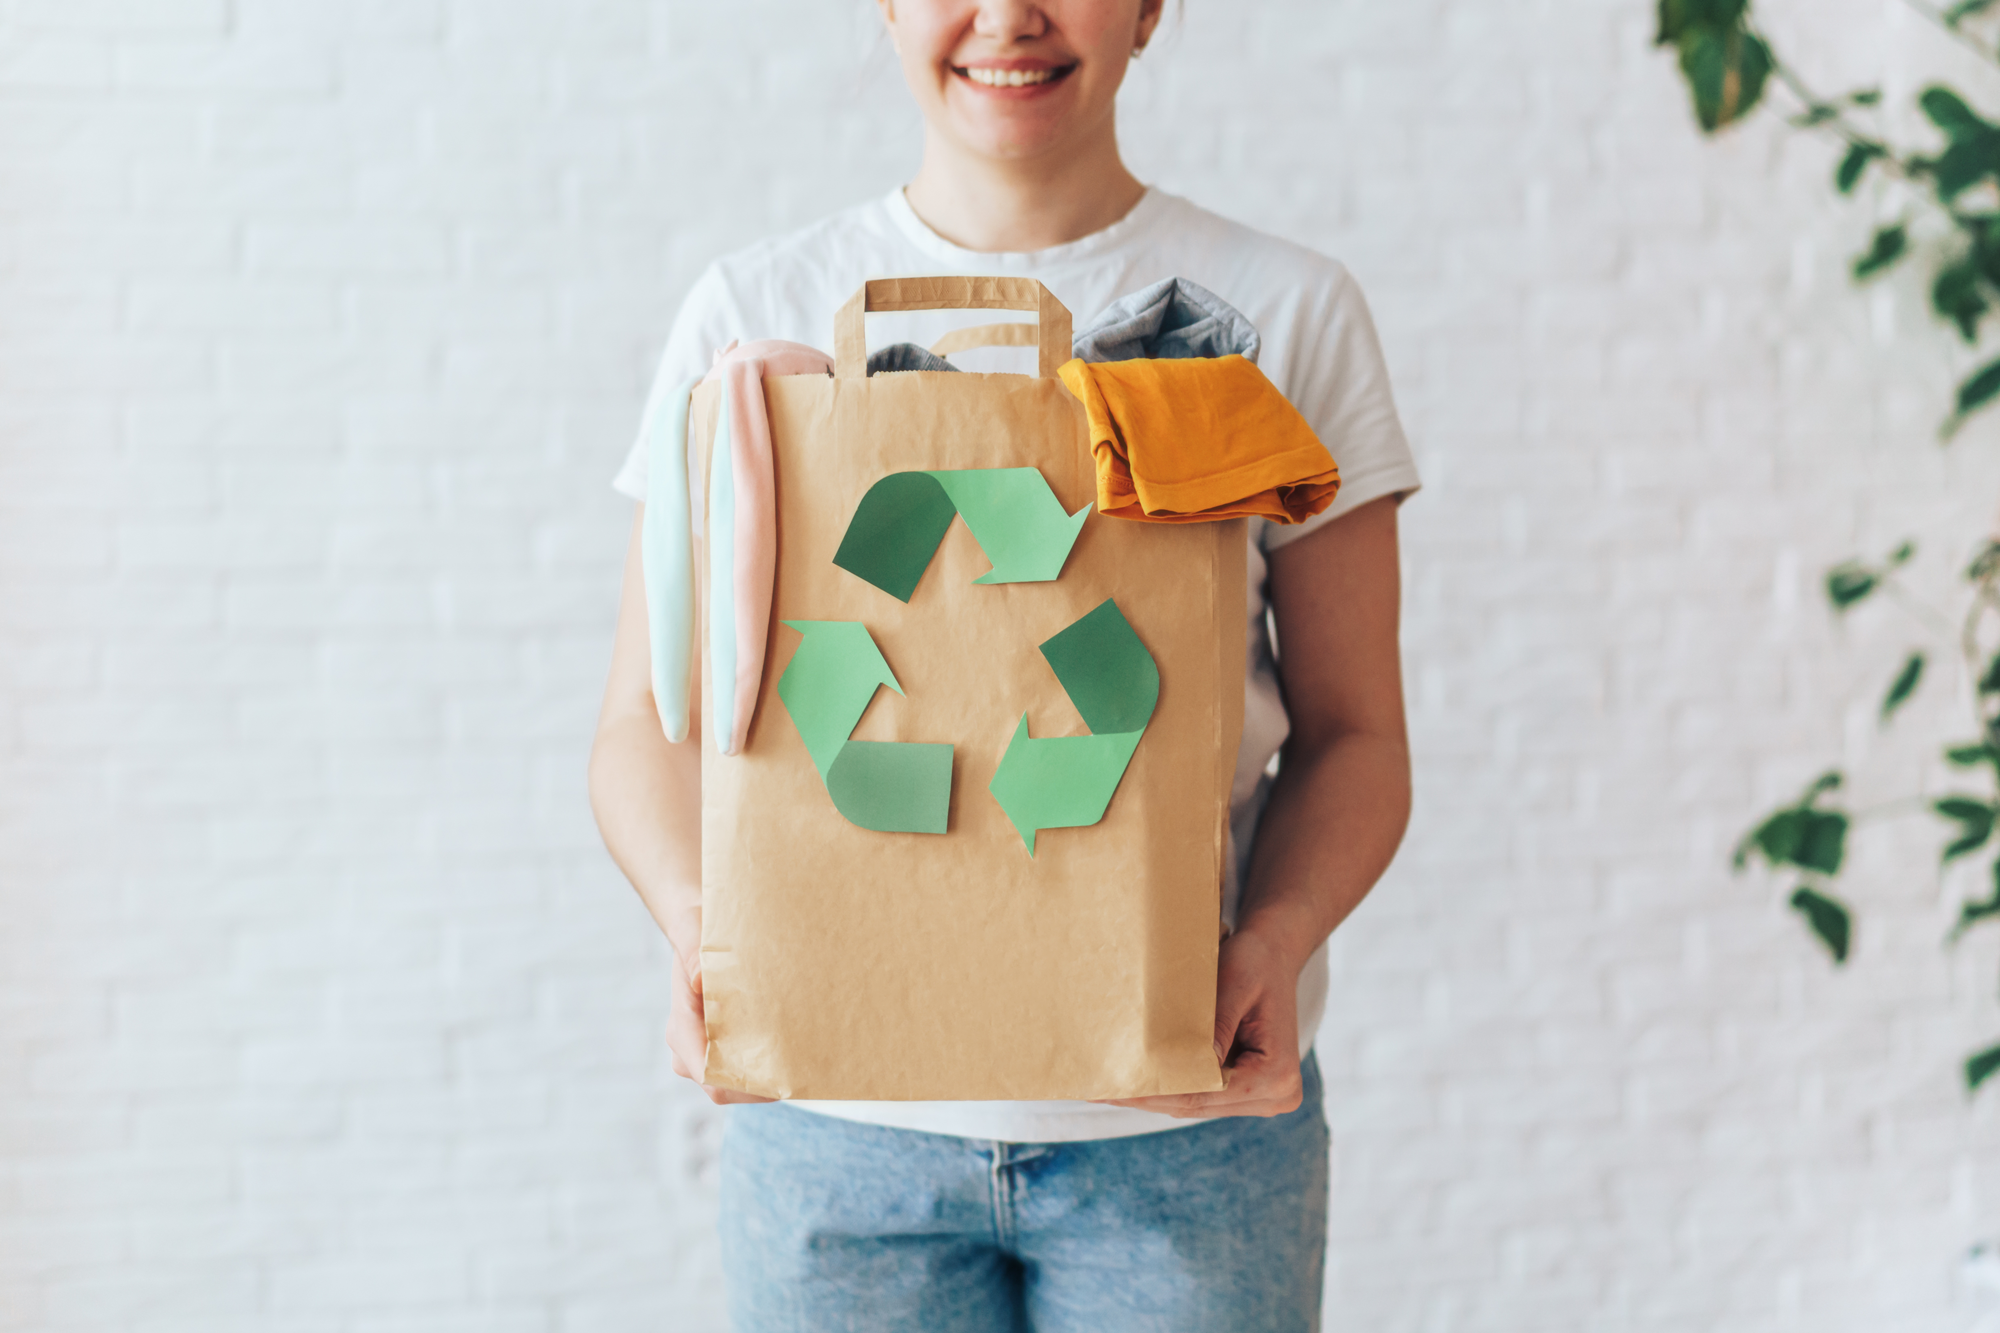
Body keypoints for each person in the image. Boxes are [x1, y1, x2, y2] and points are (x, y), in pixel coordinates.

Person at [588, 1, 1418, 1327]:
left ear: (1152, 7)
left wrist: (1276, 938)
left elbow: (1356, 734)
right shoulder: (754, 321)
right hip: (834, 1132)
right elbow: (645, 718)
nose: (1011, 16)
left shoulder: (1281, 317)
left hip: (1185, 1131)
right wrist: (704, 931)